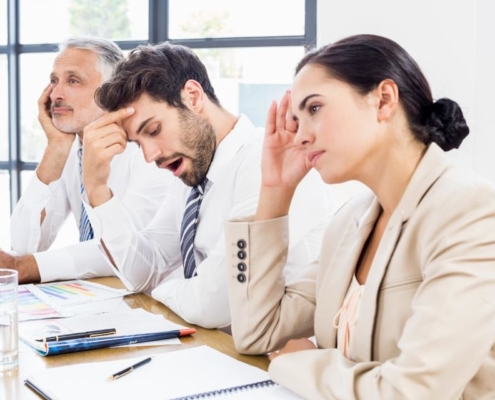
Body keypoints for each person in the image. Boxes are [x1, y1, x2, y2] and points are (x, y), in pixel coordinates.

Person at [223, 34, 495, 399]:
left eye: (314, 109)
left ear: (384, 100)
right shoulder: (348, 223)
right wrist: (275, 190)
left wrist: (299, 363)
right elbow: (257, 331)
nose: (301, 136)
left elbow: (415, 391)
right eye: (296, 120)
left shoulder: (470, 212)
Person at [82, 42, 333, 329]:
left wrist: (161, 288)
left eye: (153, 130)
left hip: (278, 359)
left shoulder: (268, 164)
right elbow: (143, 271)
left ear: (192, 96)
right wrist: (97, 188)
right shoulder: (191, 171)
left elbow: (215, 304)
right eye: (138, 143)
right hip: (219, 352)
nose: (150, 155)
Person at [2, 38, 171, 284]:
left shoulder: (147, 151)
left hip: (152, 304)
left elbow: (124, 251)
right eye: (53, 81)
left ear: (113, 90)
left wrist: (23, 266)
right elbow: (24, 244)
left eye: (73, 80)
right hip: (103, 297)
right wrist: (56, 147)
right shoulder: (72, 150)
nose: (56, 94)